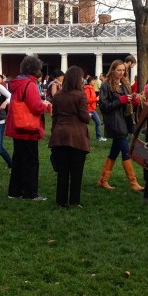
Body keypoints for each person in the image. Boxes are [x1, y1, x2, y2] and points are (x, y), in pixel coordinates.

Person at [4, 55, 52, 200]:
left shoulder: (17, 83)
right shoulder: (29, 84)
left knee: (18, 159)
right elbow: (36, 107)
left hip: (17, 126)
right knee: (31, 161)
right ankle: (30, 192)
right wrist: (45, 105)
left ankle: (15, 191)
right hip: (28, 128)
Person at [97, 59, 144, 192]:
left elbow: (126, 103)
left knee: (114, 152)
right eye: (119, 70)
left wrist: (133, 100)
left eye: (123, 70)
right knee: (126, 151)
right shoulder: (106, 85)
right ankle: (133, 182)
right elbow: (104, 107)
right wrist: (120, 100)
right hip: (114, 122)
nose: (121, 72)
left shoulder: (124, 84)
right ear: (112, 70)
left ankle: (103, 180)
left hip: (124, 120)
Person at [48, 66, 91, 207]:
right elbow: (85, 117)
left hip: (60, 134)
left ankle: (61, 200)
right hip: (76, 136)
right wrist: (89, 116)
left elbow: (55, 116)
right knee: (76, 171)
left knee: (62, 171)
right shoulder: (80, 95)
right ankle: (74, 200)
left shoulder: (58, 95)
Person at [84, 76, 105, 142]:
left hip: (92, 109)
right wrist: (96, 99)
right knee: (85, 124)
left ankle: (98, 137)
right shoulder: (87, 89)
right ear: (89, 82)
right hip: (89, 109)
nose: (94, 81)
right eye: (93, 80)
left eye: (94, 80)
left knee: (98, 122)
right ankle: (84, 137)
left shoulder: (92, 88)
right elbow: (87, 100)